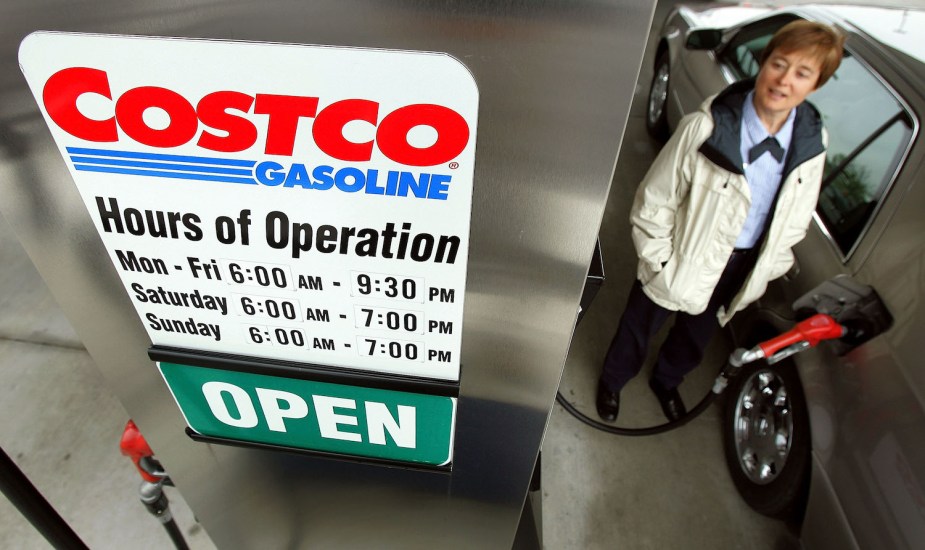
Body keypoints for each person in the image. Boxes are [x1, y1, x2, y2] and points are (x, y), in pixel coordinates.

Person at [597, 20, 845, 423]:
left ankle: (666, 381)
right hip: (681, 253)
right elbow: (654, 200)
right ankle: (613, 380)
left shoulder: (812, 146)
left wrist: (768, 268)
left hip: (739, 264)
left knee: (696, 336)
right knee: (639, 325)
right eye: (779, 64)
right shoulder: (706, 128)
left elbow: (796, 217)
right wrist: (658, 260)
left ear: (815, 86)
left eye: (802, 73)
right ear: (763, 64)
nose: (784, 81)